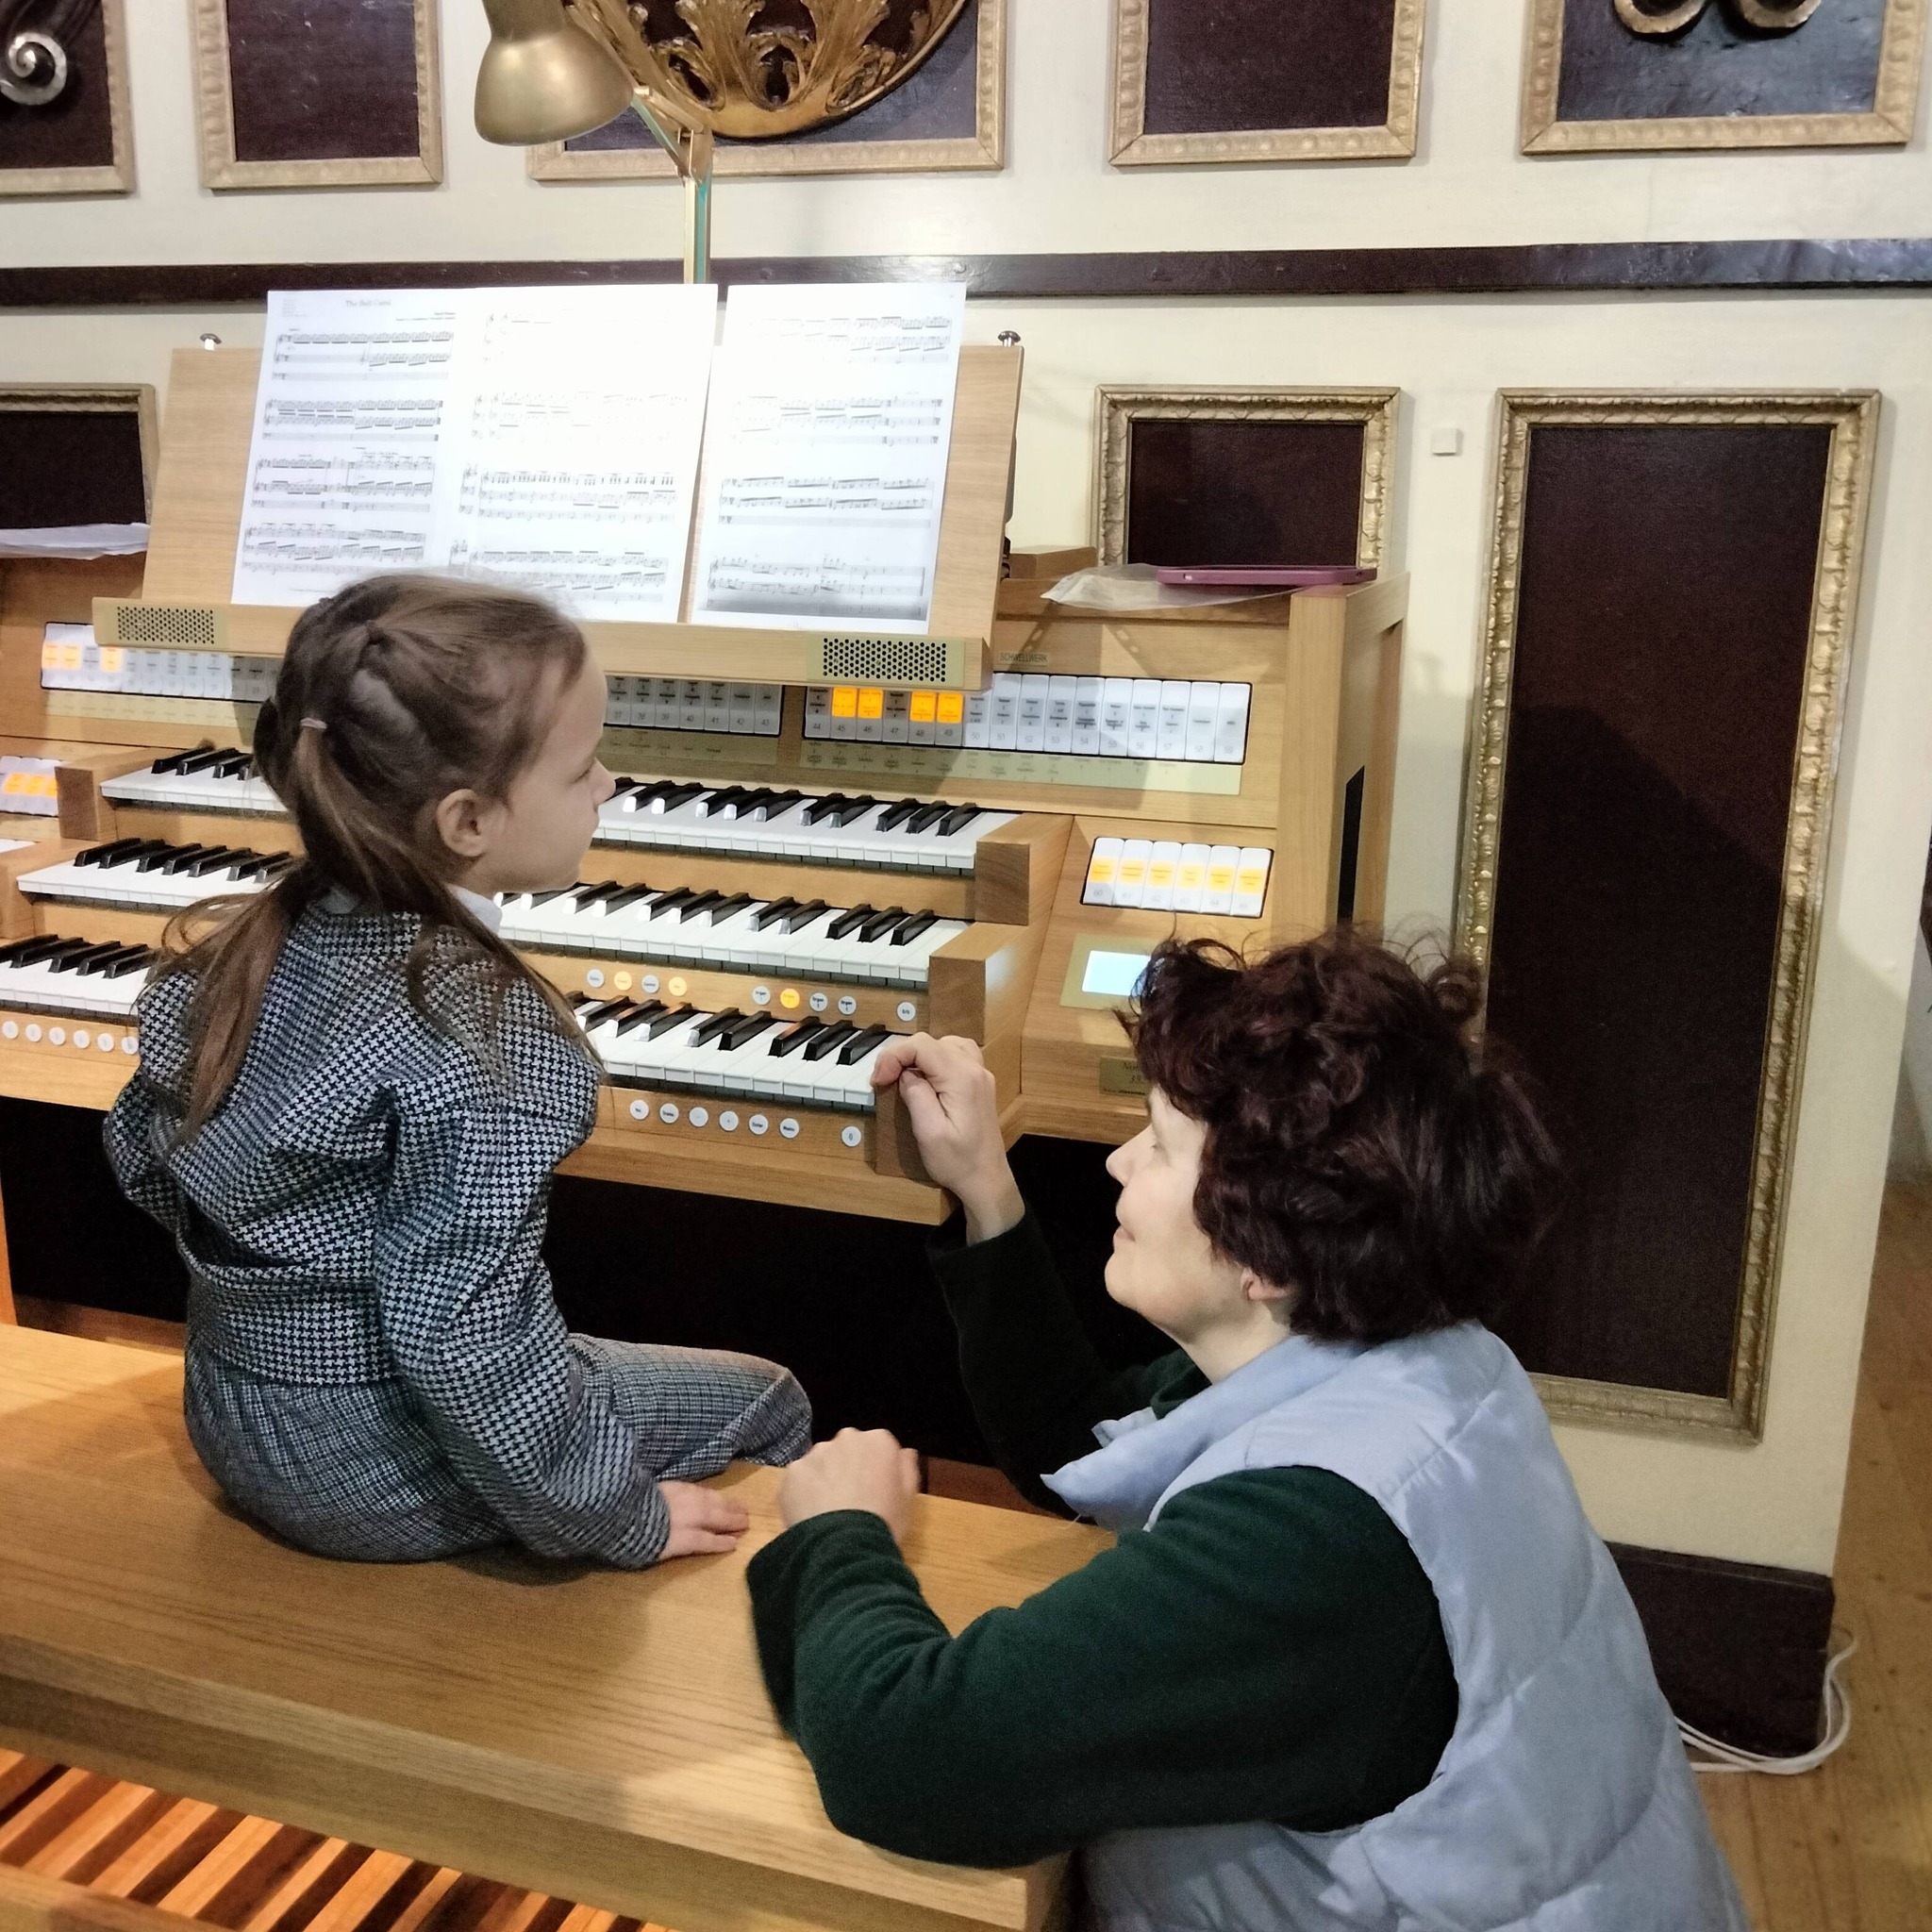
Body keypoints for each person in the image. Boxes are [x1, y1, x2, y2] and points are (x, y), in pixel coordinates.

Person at [747, 932, 1746, 1930]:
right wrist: (983, 1186)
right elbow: (1090, 1445)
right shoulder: (1417, 1350)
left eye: (1157, 1144)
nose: (1117, 1161)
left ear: (1262, 1255)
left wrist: (838, 1533)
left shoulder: (1311, 1539)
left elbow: (906, 1757)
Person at [106, 575, 809, 1570]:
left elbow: (140, 1157)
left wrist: (297, 1299)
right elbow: (460, 1340)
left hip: (236, 1416)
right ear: (467, 823)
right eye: (581, 768)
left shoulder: (246, 945)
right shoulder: (481, 1032)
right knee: (768, 1394)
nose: (609, 783)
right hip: (370, 1468)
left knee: (545, 1351)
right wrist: (618, 1518)